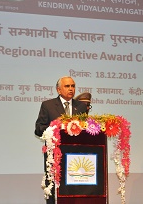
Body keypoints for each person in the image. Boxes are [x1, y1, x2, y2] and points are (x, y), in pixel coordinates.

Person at [35, 76, 87, 204]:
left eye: (73, 86)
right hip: (55, 157)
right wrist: (55, 128)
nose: (71, 89)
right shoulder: (48, 105)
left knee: (75, 192)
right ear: (58, 90)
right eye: (67, 86)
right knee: (55, 192)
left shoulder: (81, 106)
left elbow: (85, 128)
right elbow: (38, 129)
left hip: (76, 158)